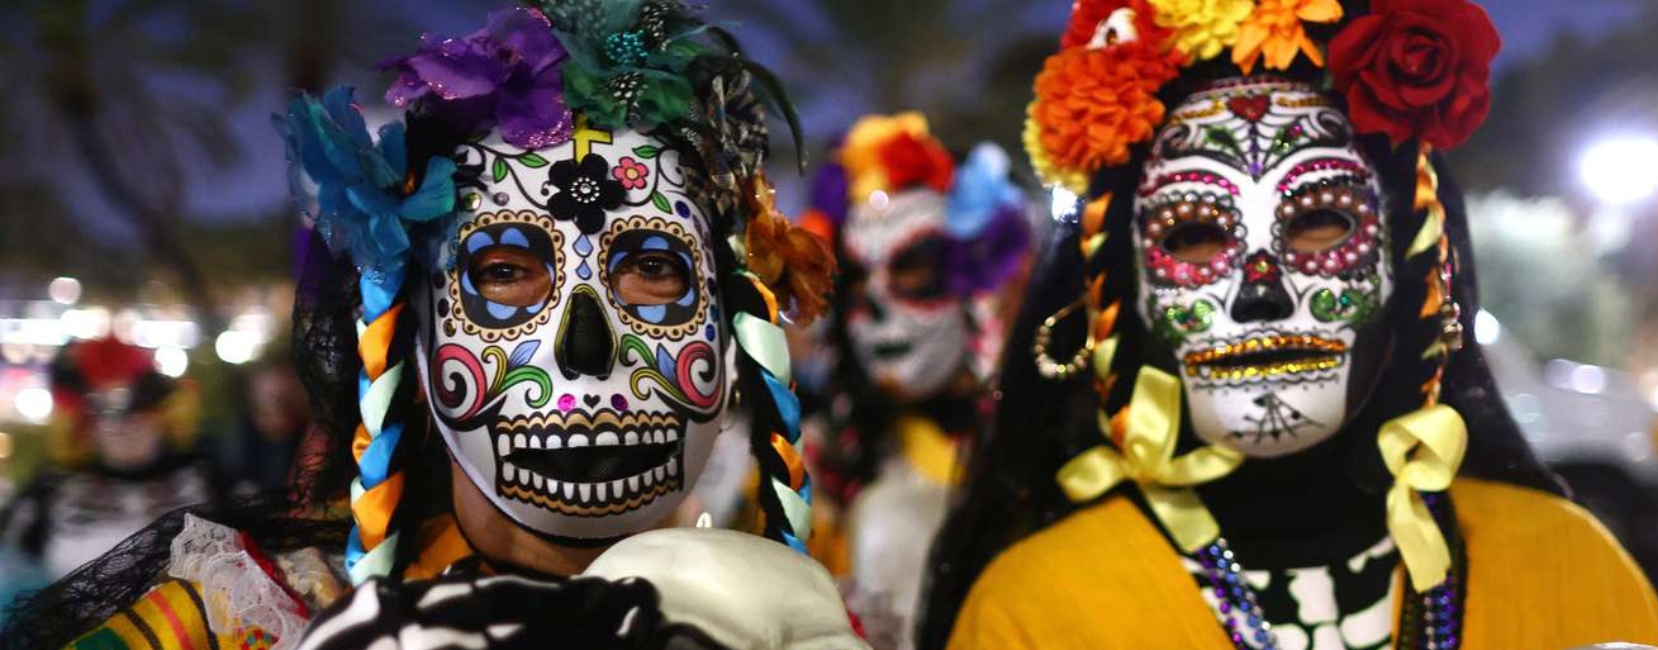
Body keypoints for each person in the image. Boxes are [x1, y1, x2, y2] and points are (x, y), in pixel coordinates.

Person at [0, 2, 863, 649]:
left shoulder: (789, 621)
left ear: (731, 328)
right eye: (503, 274)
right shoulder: (243, 620)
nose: (588, 350)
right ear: (412, 334)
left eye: (652, 268)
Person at [919, 1, 1658, 648]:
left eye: (1319, 222)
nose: (1261, 294)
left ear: (1412, 268)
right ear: (1124, 295)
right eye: (1195, 233)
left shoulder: (1572, 569)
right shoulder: (1041, 610)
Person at [803, 114, 1031, 649]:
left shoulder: (1047, 447)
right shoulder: (807, 467)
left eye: (911, 270)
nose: (876, 307)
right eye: (857, 278)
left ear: (977, 284)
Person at [0, 336, 219, 582]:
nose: (123, 426)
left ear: (163, 415)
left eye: (139, 411)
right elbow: (12, 570)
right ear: (86, 423)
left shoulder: (210, 479)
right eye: (105, 413)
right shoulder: (50, 490)